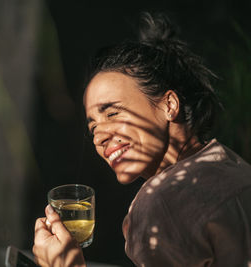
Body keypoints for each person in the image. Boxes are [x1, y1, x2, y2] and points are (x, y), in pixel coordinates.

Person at [32, 12, 251, 267]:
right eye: (92, 129)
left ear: (169, 105)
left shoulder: (162, 203)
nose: (99, 138)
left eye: (112, 113)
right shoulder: (231, 165)